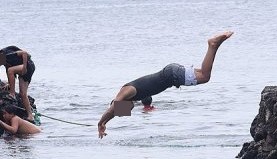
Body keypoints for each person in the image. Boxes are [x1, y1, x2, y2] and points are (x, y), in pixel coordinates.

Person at [97, 31, 233, 138]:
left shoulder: (125, 92)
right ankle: (216, 44)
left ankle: (213, 44)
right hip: (170, 73)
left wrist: (100, 123)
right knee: (204, 73)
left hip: (170, 76)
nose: (122, 114)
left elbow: (112, 109)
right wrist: (107, 122)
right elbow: (116, 110)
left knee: (204, 77)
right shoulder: (130, 99)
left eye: (120, 112)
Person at [0, 43, 36, 122]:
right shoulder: (4, 61)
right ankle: (30, 116)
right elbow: (9, 74)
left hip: (28, 65)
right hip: (23, 68)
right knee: (22, 94)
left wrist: (24, 67)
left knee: (10, 70)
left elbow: (24, 53)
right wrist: (9, 83)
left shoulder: (7, 55)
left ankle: (12, 93)